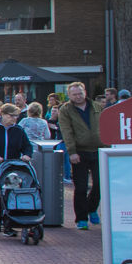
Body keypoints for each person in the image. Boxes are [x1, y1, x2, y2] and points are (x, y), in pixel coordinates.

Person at [0, 104, 33, 232]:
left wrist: (27, 155)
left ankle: (7, 223)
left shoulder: (18, 130)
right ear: (3, 114)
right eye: (11, 116)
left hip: (11, 170)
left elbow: (27, 146)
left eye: (16, 116)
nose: (14, 118)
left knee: (9, 197)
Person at [58, 81, 104, 229]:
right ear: (69, 95)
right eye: (74, 94)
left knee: (99, 184)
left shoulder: (97, 107)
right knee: (81, 186)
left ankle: (92, 208)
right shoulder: (65, 110)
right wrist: (72, 151)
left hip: (99, 149)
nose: (78, 97)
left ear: (85, 92)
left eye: (80, 93)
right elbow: (66, 131)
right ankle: (81, 218)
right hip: (79, 151)